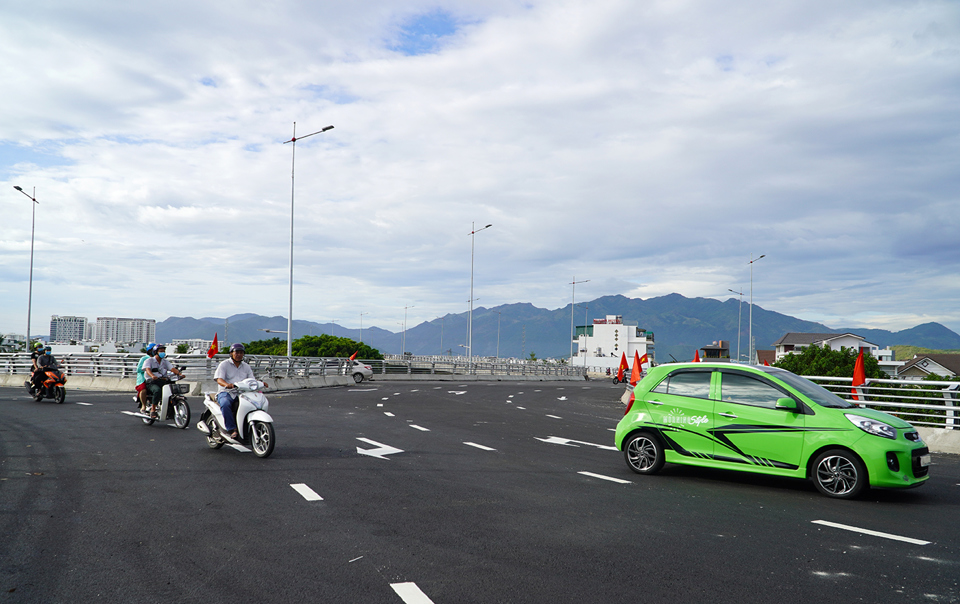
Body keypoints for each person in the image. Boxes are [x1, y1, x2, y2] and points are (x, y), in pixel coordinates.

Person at [214, 343, 268, 439]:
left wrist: (260, 383)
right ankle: (232, 429)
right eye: (236, 352)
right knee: (225, 404)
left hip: (242, 393)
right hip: (226, 392)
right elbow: (219, 379)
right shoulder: (224, 364)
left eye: (241, 352)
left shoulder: (246, 366)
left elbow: (251, 380)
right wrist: (227, 385)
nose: (239, 354)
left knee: (253, 405)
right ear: (231, 353)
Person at [142, 344, 184, 418]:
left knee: (172, 391)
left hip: (162, 381)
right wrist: (152, 376)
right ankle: (153, 410)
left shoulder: (165, 361)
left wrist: (179, 374)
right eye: (161, 351)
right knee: (157, 391)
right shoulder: (149, 361)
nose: (163, 353)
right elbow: (147, 370)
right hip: (152, 382)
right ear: (156, 352)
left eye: (163, 351)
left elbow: (172, 369)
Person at [135, 343, 157, 412]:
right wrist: (148, 369)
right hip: (144, 379)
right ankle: (143, 405)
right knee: (143, 389)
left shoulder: (157, 359)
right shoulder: (144, 359)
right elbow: (138, 369)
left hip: (155, 378)